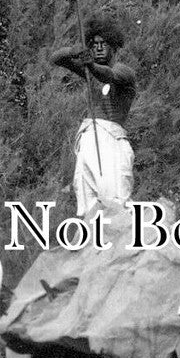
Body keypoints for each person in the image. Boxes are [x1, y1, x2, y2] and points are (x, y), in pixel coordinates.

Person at [50, 15, 137, 216]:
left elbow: (107, 74)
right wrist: (74, 51)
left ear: (114, 47)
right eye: (94, 44)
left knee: (114, 200)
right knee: (88, 203)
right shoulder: (90, 72)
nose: (98, 48)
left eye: (103, 43)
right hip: (89, 138)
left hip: (111, 142)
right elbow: (56, 58)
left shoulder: (124, 72)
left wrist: (90, 65)